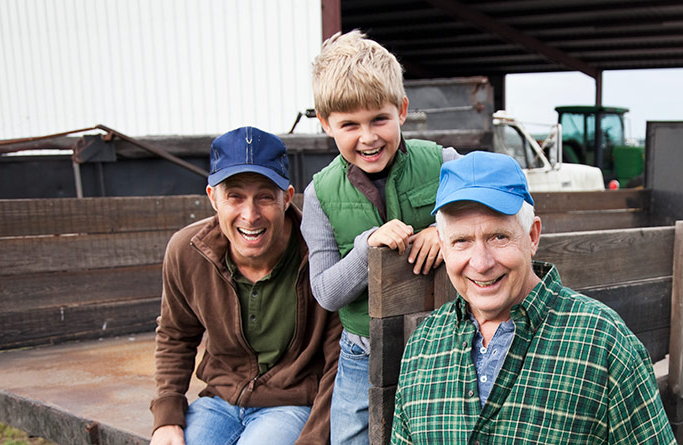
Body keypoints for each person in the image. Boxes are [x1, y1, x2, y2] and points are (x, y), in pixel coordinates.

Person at [391, 151, 676, 444]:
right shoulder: (424, 345)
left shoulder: (602, 341)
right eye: (461, 241)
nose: (481, 262)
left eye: (498, 237)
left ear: (532, 236)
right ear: (443, 246)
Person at [300, 30, 461, 445]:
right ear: (325, 124)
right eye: (349, 125)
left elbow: (509, 211)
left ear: (402, 110)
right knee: (351, 437)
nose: (368, 137)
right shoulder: (319, 194)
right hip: (361, 348)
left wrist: (445, 230)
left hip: (447, 342)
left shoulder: (443, 163)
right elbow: (326, 293)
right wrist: (366, 247)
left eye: (379, 119)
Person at [150, 126, 341, 445]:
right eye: (235, 197)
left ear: (287, 198)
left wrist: (315, 437)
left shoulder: (319, 252)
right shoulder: (186, 251)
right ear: (213, 198)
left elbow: (339, 358)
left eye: (265, 197)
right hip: (218, 402)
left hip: (289, 405)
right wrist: (167, 417)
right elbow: (175, 335)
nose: (250, 215)